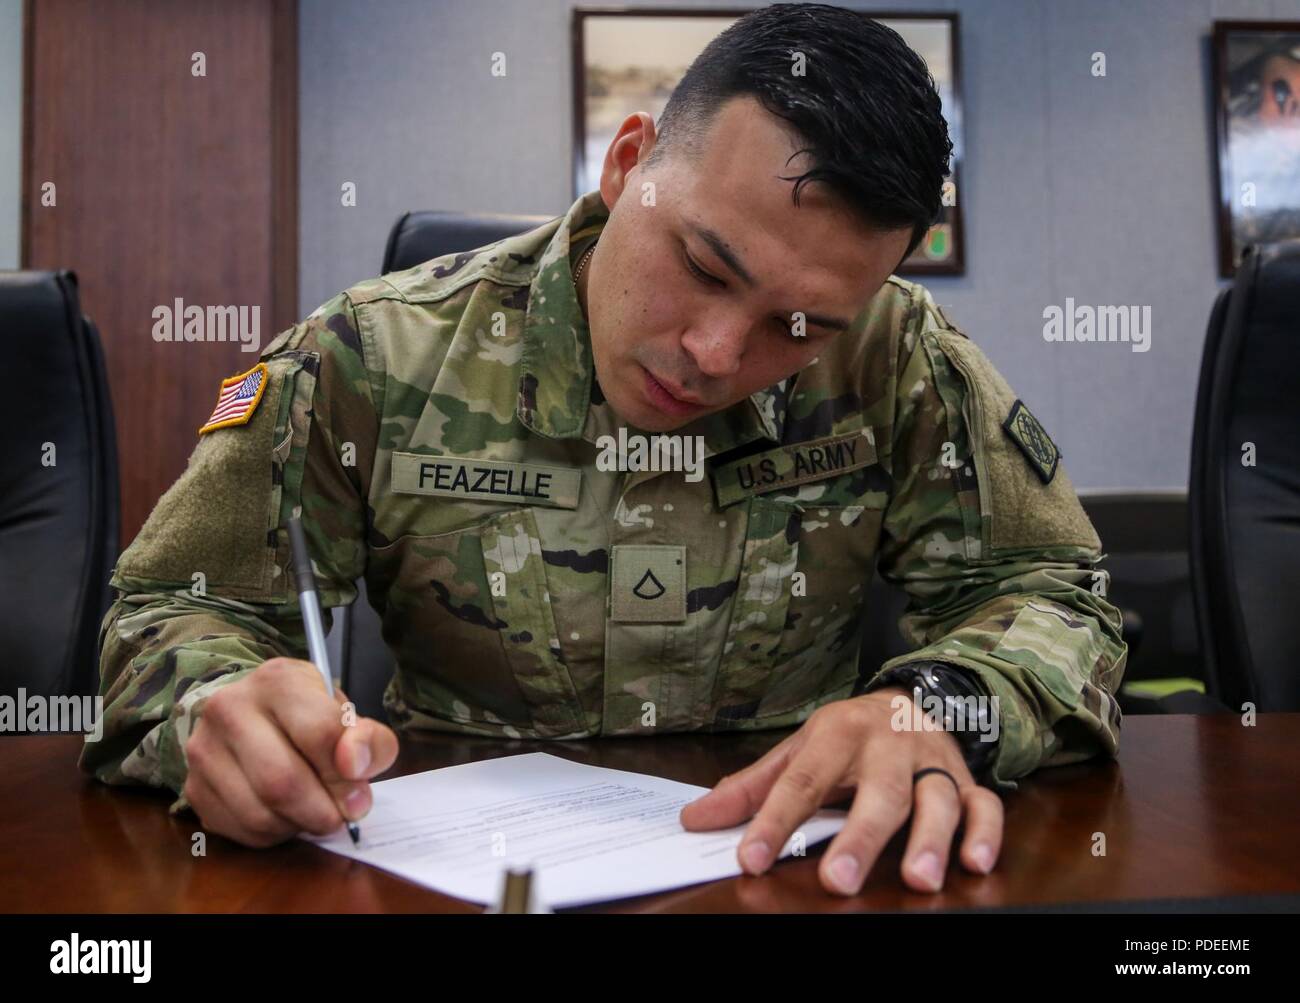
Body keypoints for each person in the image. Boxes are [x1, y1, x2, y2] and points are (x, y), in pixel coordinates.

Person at [81, 3, 1127, 897]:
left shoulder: (896, 357)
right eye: (705, 267)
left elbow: (1052, 590)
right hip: (438, 877)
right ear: (627, 166)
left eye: (797, 327)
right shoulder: (374, 352)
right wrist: (213, 707)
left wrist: (932, 706)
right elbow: (175, 605)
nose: (716, 353)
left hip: (793, 868)